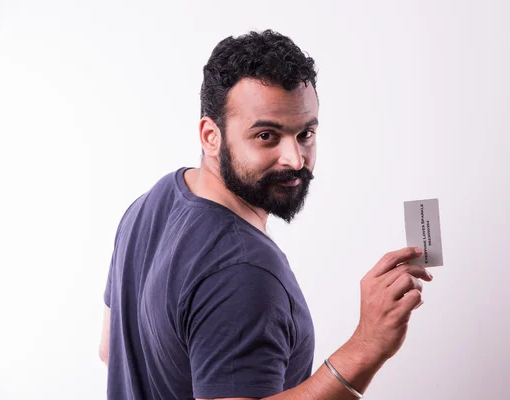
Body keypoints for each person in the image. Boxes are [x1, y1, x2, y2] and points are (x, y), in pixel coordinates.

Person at [100, 29, 433, 400]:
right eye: (266, 136)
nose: (295, 159)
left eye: (305, 133)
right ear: (211, 136)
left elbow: (111, 349)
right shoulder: (243, 269)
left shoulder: (150, 204)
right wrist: (366, 346)